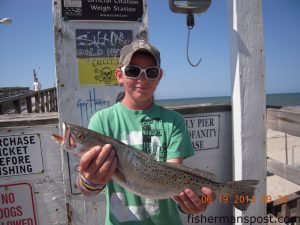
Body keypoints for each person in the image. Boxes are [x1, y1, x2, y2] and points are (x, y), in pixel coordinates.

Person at [76, 39, 214, 225]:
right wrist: (88, 179)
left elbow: (174, 180)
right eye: (133, 71)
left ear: (159, 77)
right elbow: (88, 190)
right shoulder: (101, 122)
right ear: (119, 75)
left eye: (151, 72)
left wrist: (193, 203)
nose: (142, 79)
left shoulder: (173, 122)